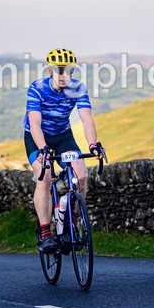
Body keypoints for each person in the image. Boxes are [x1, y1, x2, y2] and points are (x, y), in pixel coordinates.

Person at [24, 48, 103, 254]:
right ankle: (45, 232)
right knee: (45, 175)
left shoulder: (77, 88)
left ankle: (71, 223)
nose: (65, 76)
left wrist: (93, 144)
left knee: (82, 175)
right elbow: (35, 123)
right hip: (37, 136)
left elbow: (86, 118)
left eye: (70, 71)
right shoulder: (37, 88)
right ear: (50, 70)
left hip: (62, 136)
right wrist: (42, 149)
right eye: (60, 71)